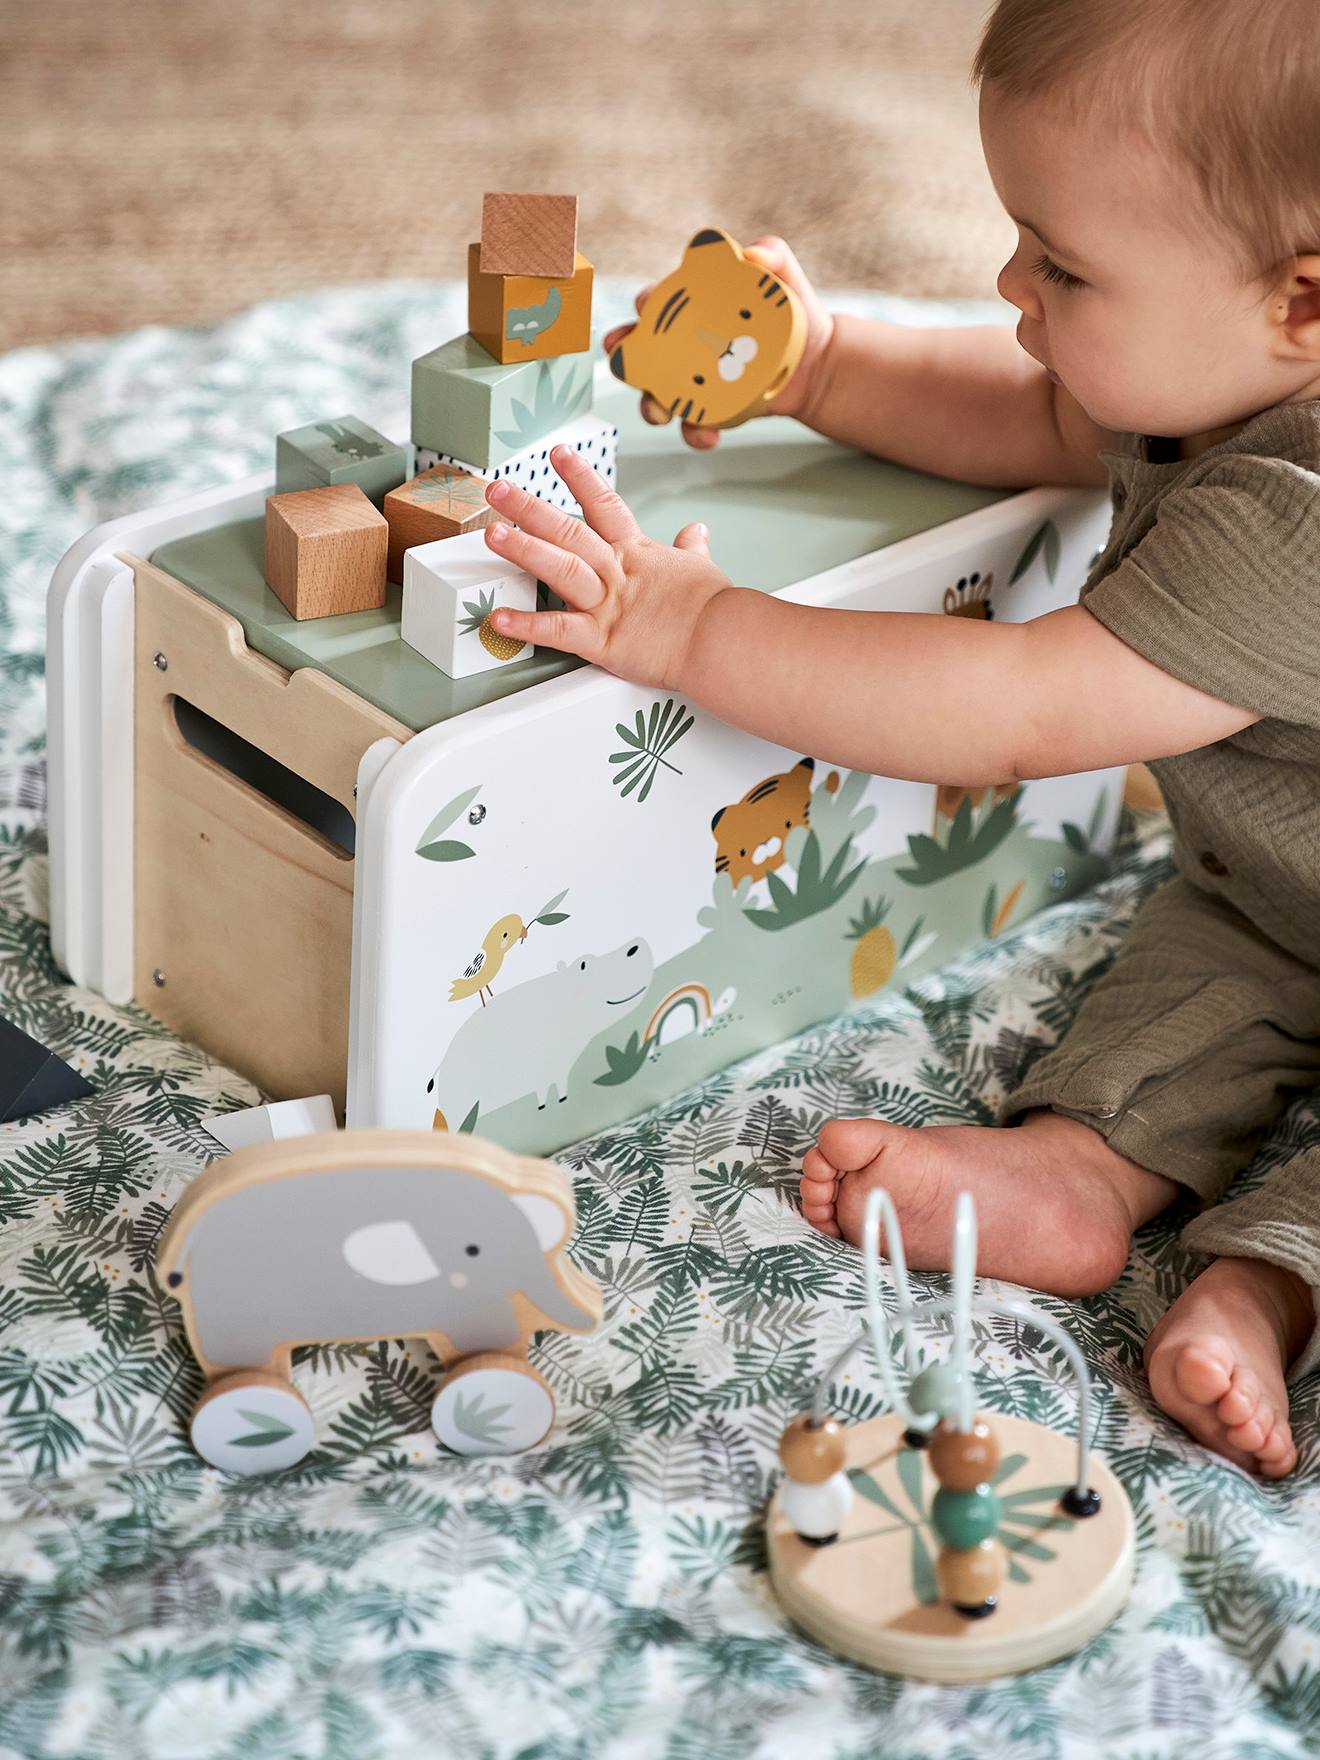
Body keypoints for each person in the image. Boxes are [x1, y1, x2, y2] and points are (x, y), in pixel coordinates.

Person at [476, 0, 1320, 1476]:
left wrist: (692, 632)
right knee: (1199, 984)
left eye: (1061, 263)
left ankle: (1266, 1283)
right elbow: (1030, 409)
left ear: (1304, 305)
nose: (1012, 280)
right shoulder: (1211, 374)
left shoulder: (1300, 521)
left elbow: (1021, 711)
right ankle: (1081, 1171)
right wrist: (818, 366)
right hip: (1275, 884)